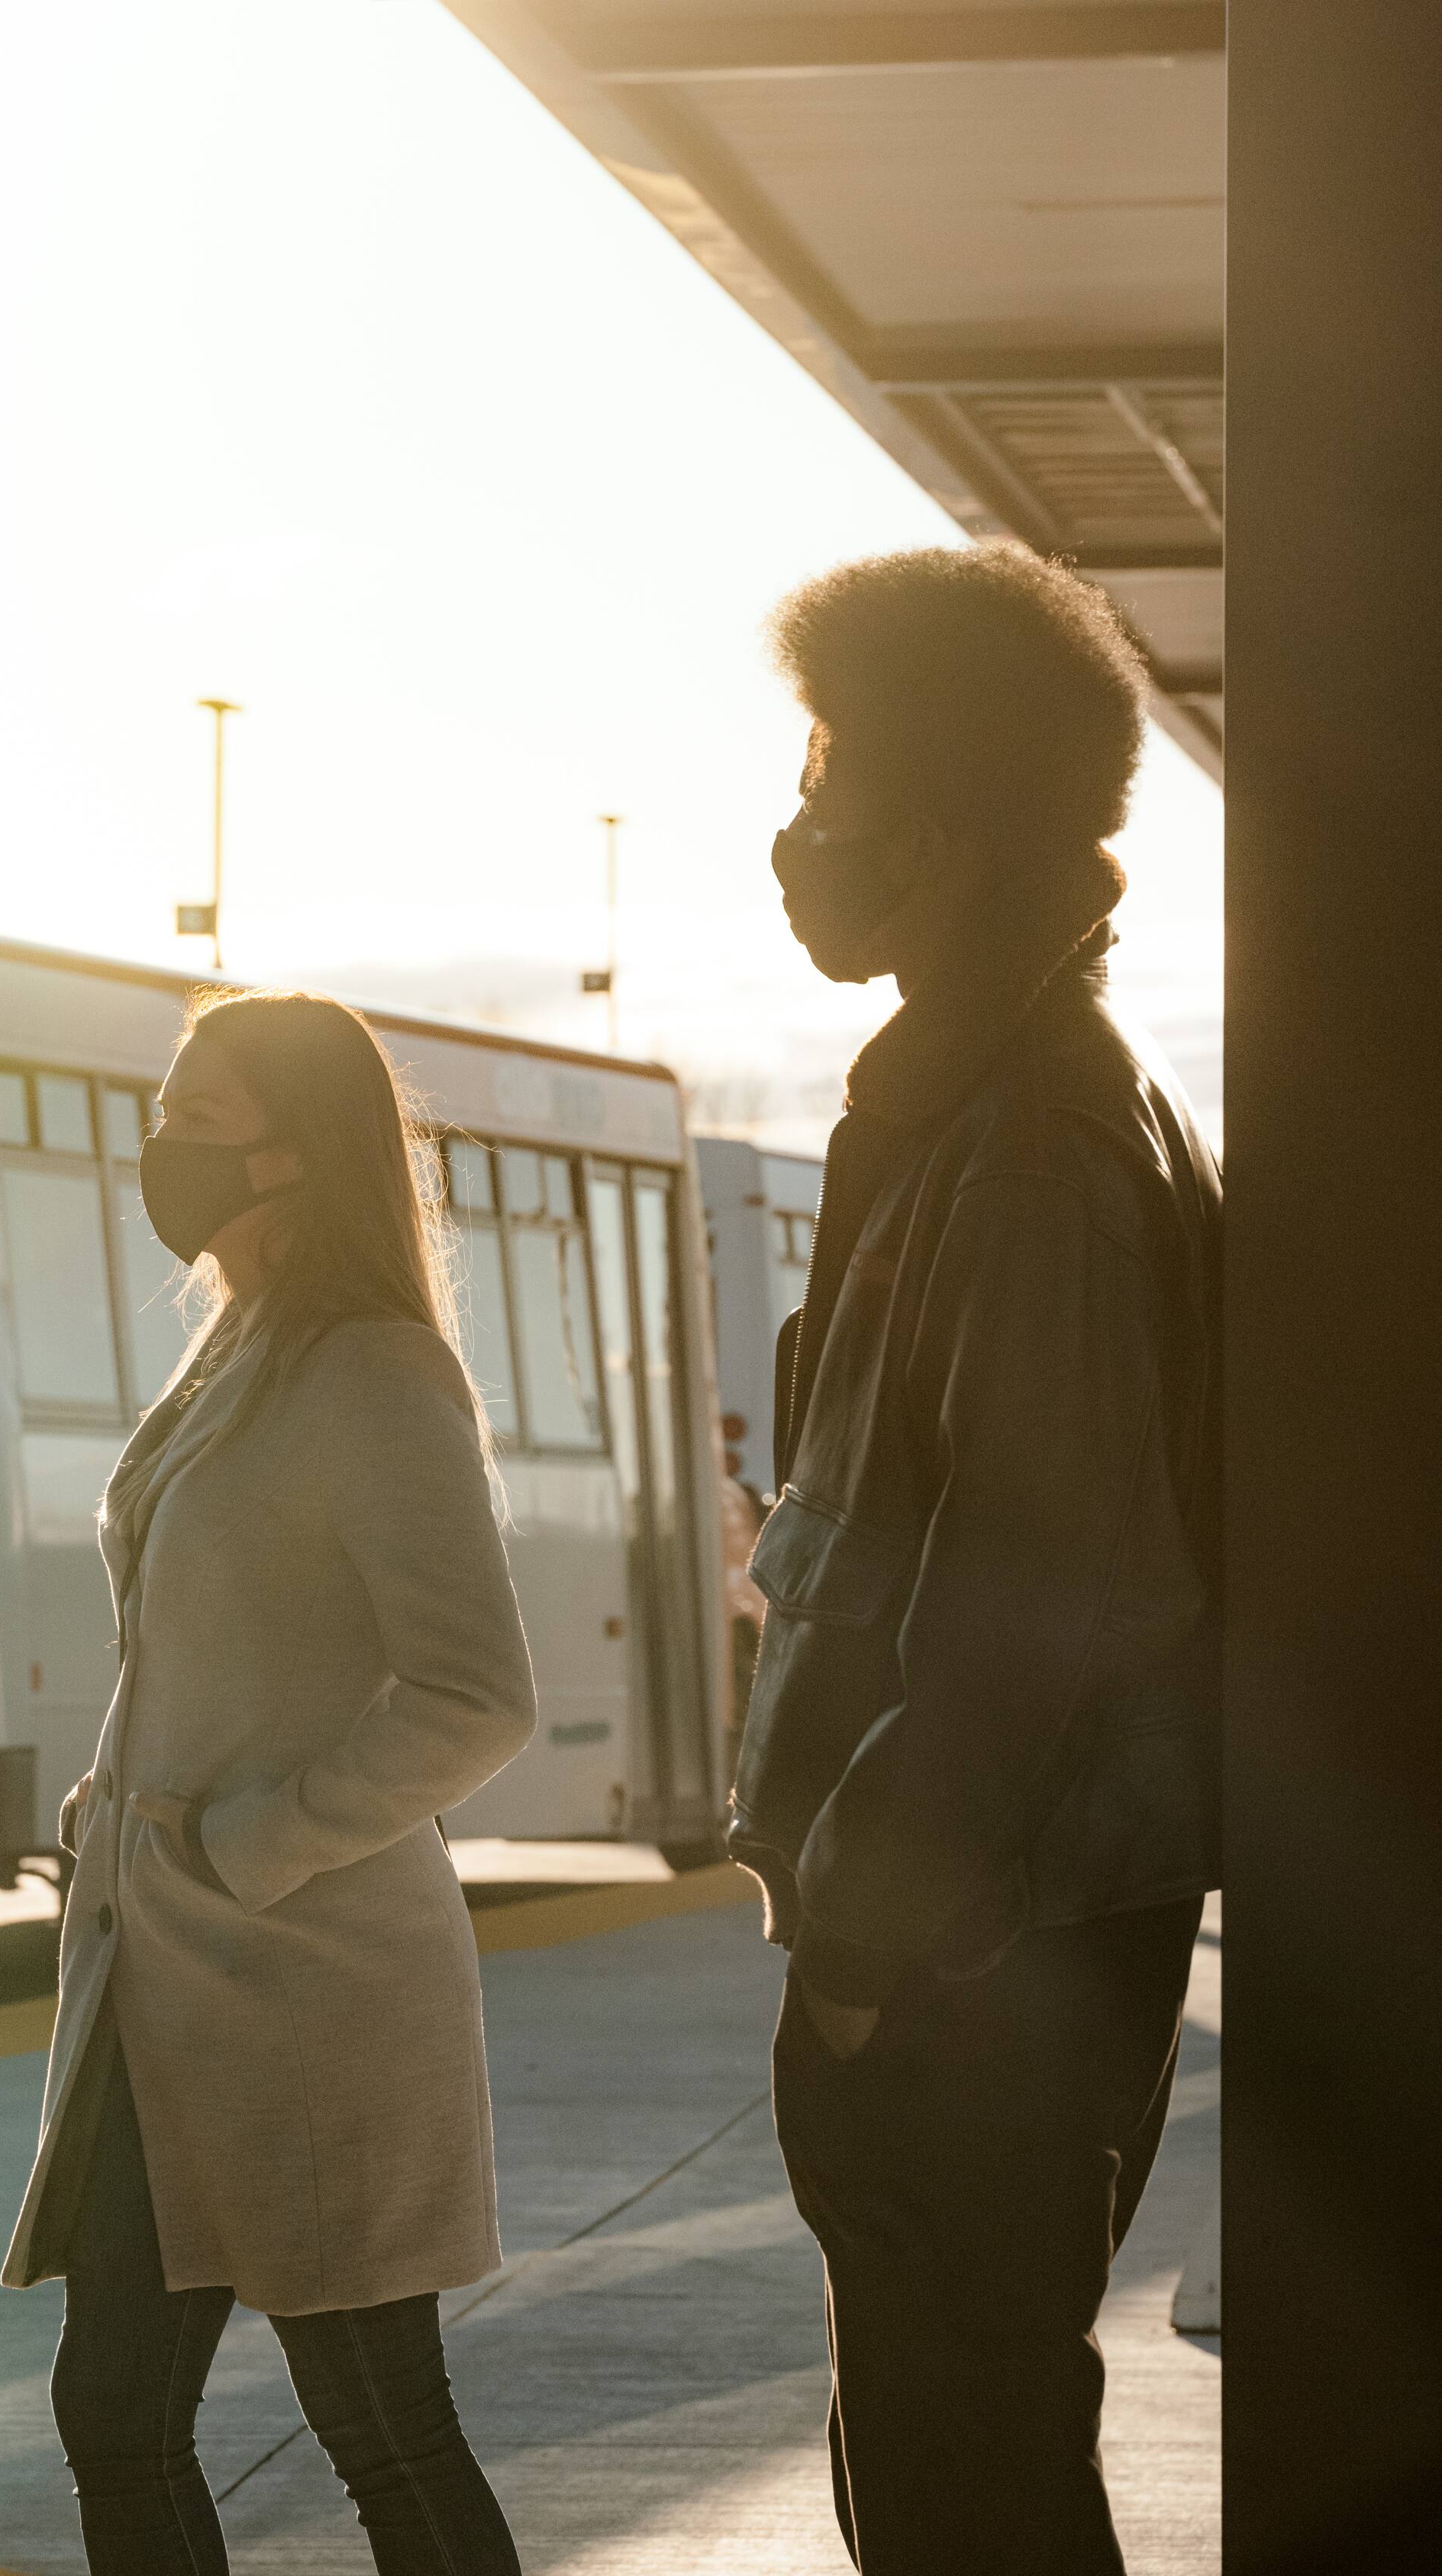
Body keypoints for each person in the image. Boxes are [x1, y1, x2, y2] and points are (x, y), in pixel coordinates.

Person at [739, 547, 1221, 2572]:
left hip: (972, 1962)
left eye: (826, 764)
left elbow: (1040, 1589)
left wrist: (861, 1946)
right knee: (947, 2477)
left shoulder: (1030, 1144)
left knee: (971, 2499)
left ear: (928, 830)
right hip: (959, 1949)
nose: (794, 819)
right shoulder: (963, 1102)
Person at [2, 991, 537, 2576]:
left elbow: (475, 1694)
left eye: (196, 1112)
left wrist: (246, 1843)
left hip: (305, 1983)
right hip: (152, 1978)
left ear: (298, 1152)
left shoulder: (373, 1370)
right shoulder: (239, 1345)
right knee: (115, 2404)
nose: (158, 1143)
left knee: (382, 2421)